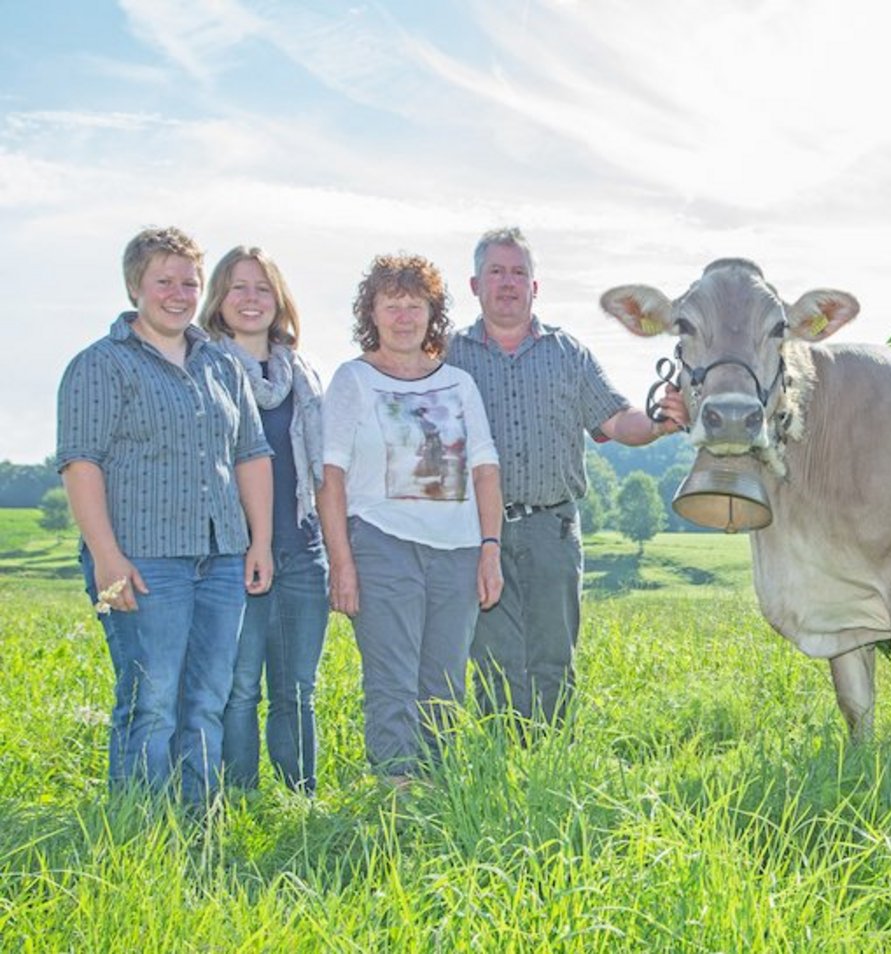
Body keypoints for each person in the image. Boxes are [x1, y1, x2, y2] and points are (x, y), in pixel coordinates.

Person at [56, 226, 273, 810]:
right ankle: (139, 828)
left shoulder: (221, 366)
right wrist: (106, 557)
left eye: (189, 282)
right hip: (142, 558)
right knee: (150, 700)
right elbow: (82, 463)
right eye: (163, 281)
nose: (177, 294)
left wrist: (260, 544)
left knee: (208, 697)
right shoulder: (100, 365)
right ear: (136, 286)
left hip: (222, 556)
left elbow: (251, 454)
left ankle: (195, 826)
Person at [445, 227, 683, 728]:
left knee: (552, 657)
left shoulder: (566, 353)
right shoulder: (448, 357)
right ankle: (500, 764)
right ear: (474, 284)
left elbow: (617, 421)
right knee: (492, 660)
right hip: (474, 533)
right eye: (496, 272)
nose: (508, 283)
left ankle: (550, 763)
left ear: (535, 287)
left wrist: (660, 422)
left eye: (518, 273)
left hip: (551, 528)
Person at [320, 253, 503, 782]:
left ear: (432, 313)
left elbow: (485, 471)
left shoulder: (459, 385)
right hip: (382, 543)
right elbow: (330, 477)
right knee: (393, 680)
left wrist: (490, 548)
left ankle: (437, 792)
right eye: (391, 305)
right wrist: (342, 562)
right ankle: (395, 798)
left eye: (415, 305)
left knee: (445, 682)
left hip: (459, 550)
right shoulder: (353, 380)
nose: (404, 316)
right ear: (371, 314)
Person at [198, 246, 329, 795]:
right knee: (240, 686)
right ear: (218, 300)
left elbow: (325, 473)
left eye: (262, 288)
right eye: (237, 287)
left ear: (279, 301)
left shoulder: (302, 376)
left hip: (302, 549)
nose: (250, 299)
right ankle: (240, 797)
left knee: (297, 688)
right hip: (234, 554)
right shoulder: (201, 370)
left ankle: (300, 798)